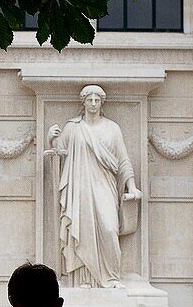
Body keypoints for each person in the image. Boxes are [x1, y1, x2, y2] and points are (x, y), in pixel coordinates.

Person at [48, 84, 142, 289]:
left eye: (97, 100)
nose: (93, 103)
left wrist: (132, 187)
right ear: (83, 102)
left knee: (109, 229)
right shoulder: (73, 127)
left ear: (102, 102)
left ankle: (112, 277)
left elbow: (123, 160)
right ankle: (84, 279)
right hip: (80, 186)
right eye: (89, 100)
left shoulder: (112, 128)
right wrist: (52, 138)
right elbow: (60, 152)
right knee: (82, 230)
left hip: (105, 186)